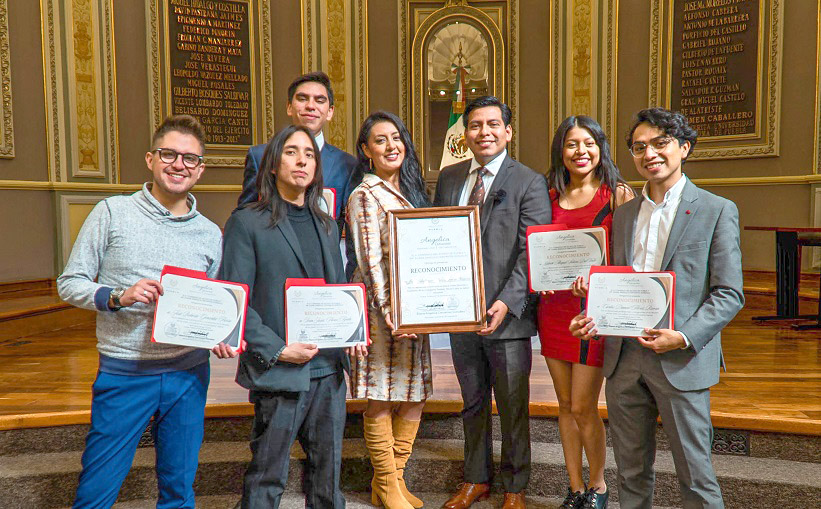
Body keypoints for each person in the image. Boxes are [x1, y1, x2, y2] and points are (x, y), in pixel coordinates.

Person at [570, 108, 744, 509]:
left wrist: (682, 336)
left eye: (660, 143)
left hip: (681, 360)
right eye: (639, 147)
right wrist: (592, 313)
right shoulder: (625, 214)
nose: (649, 154)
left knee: (695, 476)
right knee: (630, 473)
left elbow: (729, 293)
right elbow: (619, 285)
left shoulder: (716, 209)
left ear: (683, 148)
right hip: (625, 360)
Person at [57, 115, 226, 508]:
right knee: (97, 492)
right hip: (125, 373)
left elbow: (213, 302)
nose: (178, 164)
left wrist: (220, 333)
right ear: (151, 159)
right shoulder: (112, 212)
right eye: (169, 154)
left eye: (190, 158)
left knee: (179, 490)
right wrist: (118, 296)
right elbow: (70, 283)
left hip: (188, 374)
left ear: (200, 170)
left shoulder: (210, 233)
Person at [220, 125, 352, 509]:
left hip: (328, 372)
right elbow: (237, 301)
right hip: (281, 370)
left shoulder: (327, 225)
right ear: (273, 164)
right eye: (292, 152)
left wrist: (353, 330)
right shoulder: (247, 222)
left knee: (328, 481)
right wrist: (278, 350)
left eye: (309, 154)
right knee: (267, 478)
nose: (302, 161)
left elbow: (339, 292)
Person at [433, 96, 551, 509]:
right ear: (464, 133)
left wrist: (505, 302)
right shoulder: (449, 179)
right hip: (459, 315)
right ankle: (475, 479)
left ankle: (515, 487)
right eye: (475, 125)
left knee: (513, 405)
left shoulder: (529, 182)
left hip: (508, 317)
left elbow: (530, 252)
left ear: (508, 131)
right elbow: (434, 242)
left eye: (492, 124)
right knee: (473, 401)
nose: (483, 132)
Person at [537, 116, 634, 509]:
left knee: (582, 405)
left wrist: (598, 280)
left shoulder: (618, 194)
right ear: (561, 151)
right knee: (563, 405)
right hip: (554, 309)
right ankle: (574, 487)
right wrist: (538, 273)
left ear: (601, 148)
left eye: (589, 143)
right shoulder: (547, 195)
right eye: (572, 144)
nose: (581, 152)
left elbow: (630, 256)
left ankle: (598, 485)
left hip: (593, 312)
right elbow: (540, 249)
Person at [346, 111, 433, 509]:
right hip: (385, 317)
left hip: (417, 312)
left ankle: (392, 482)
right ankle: (386, 481)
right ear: (366, 151)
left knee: (414, 393)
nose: (391, 145)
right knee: (380, 394)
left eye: (396, 137)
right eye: (380, 140)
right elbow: (370, 263)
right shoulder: (365, 195)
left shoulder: (410, 193)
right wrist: (391, 313)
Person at [238, 71, 356, 222]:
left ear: (330, 112)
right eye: (302, 99)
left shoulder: (347, 164)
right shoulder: (259, 156)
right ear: (289, 107)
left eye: (319, 101)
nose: (310, 106)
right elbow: (244, 216)